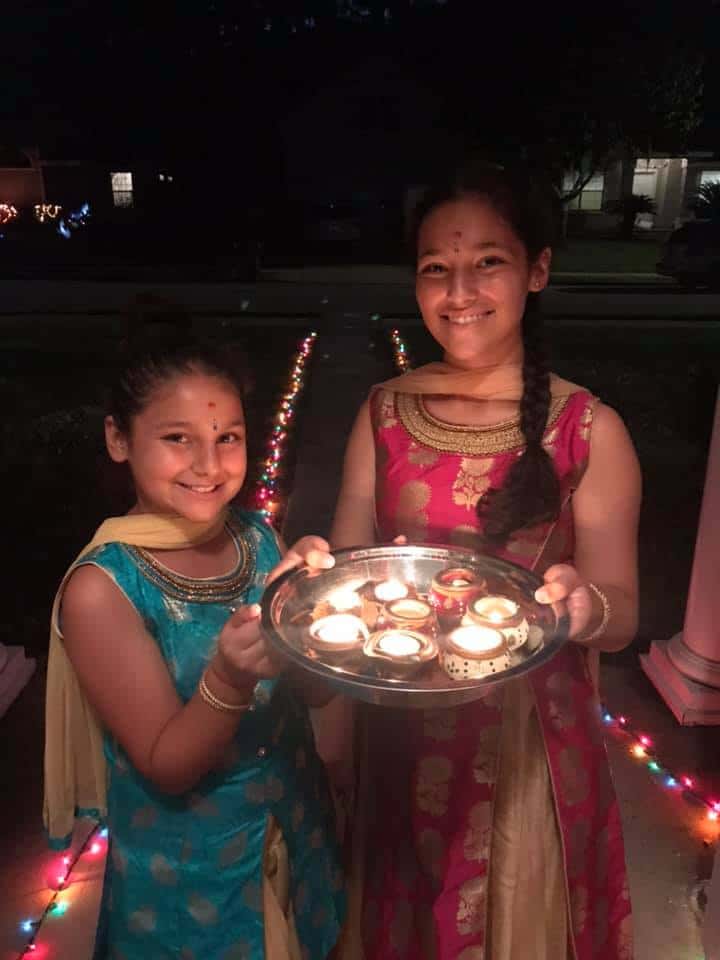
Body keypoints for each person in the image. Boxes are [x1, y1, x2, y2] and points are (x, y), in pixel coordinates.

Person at [331, 161, 641, 960]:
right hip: (398, 733)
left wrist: (585, 605)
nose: (459, 289)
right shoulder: (386, 411)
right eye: (436, 268)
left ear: (538, 269)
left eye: (488, 262)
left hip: (525, 751)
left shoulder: (587, 430)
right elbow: (345, 568)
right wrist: (323, 575)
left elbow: (622, 613)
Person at [44, 323, 345, 959]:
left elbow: (314, 693)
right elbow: (167, 765)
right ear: (119, 439)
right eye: (177, 439)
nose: (209, 465)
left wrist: (316, 614)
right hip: (188, 885)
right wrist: (229, 678)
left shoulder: (256, 536)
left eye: (227, 438)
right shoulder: (105, 589)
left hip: (297, 834)